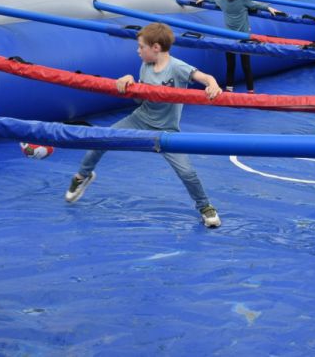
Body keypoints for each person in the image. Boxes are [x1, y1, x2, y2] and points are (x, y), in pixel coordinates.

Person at [64, 22, 224, 228]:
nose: (137, 51)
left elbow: (205, 77)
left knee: (186, 172)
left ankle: (205, 206)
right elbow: (140, 99)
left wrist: (213, 84)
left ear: (155, 47)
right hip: (139, 119)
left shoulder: (177, 67)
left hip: (167, 128)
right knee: (101, 139)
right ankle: (82, 176)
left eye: (141, 47)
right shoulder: (145, 66)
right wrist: (129, 83)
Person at [194, 0, 280, 93]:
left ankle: (250, 90)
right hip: (229, 38)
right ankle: (229, 89)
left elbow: (255, 5)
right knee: (230, 64)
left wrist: (269, 8)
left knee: (246, 65)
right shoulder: (223, 0)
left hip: (244, 37)